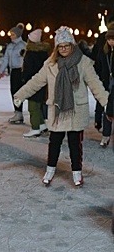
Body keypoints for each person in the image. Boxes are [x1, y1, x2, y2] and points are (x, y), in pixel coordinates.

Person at [13, 26, 109, 187]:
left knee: (75, 144)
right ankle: (50, 169)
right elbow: (37, 81)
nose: (64, 49)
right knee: (55, 141)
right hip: (57, 109)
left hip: (76, 109)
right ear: (57, 48)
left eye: (67, 45)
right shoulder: (50, 64)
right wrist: (20, 95)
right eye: (61, 46)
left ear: (72, 45)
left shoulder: (83, 63)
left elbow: (95, 84)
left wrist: (107, 103)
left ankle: (77, 172)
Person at [20, 29, 51, 137]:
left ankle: (35, 128)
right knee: (38, 104)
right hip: (43, 82)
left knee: (33, 106)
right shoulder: (44, 53)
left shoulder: (30, 53)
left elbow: (28, 69)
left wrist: (24, 79)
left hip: (33, 82)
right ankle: (42, 125)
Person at [0, 23, 27, 124]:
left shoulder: (23, 45)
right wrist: (1, 71)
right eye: (11, 34)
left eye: (13, 34)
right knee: (14, 91)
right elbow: (6, 59)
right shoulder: (10, 46)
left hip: (21, 70)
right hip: (13, 71)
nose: (11, 36)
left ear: (18, 35)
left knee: (20, 92)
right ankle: (17, 112)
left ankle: (21, 112)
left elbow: (26, 58)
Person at [93, 28, 114, 147]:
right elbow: (98, 67)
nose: (111, 42)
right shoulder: (103, 52)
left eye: (113, 39)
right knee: (107, 110)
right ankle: (106, 136)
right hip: (106, 85)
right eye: (109, 39)